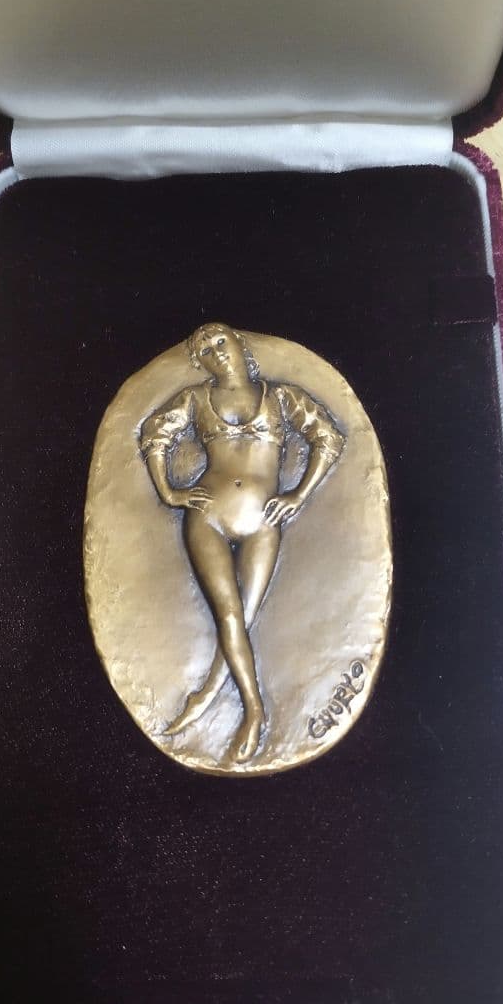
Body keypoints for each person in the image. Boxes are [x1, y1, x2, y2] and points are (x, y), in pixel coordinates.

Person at [139, 323, 345, 762]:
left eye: (221, 342)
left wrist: (299, 495)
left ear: (240, 345)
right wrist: (168, 492)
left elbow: (327, 437)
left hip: (262, 522)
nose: (216, 352)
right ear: (200, 363)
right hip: (207, 518)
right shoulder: (195, 399)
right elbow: (155, 434)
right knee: (232, 615)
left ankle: (205, 695)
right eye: (205, 350)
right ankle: (254, 711)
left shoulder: (282, 397)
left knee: (244, 616)